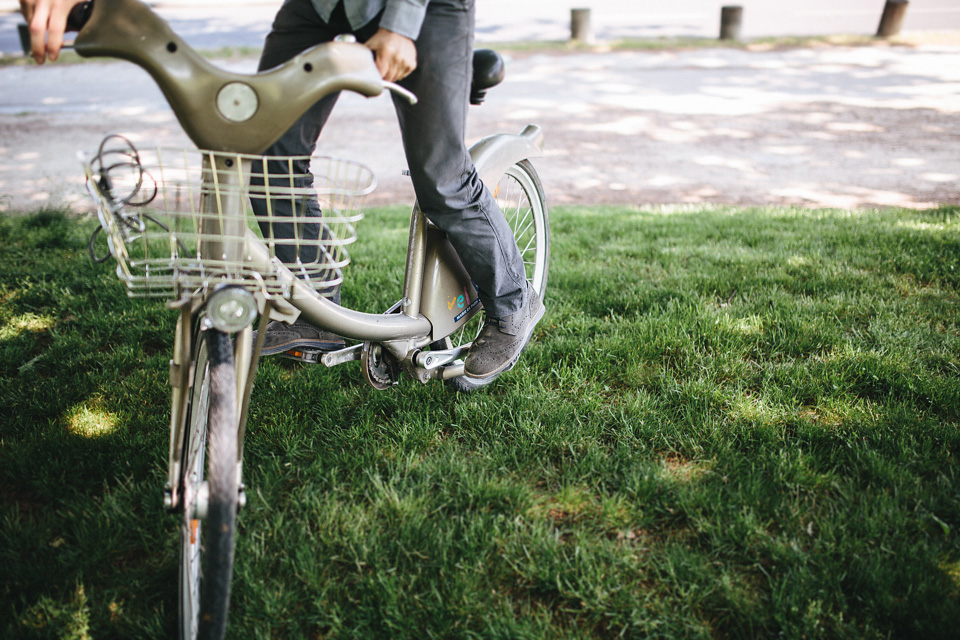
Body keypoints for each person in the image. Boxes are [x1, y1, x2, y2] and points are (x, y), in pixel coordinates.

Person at [20, 0, 544, 380]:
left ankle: (514, 304)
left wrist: (401, 24)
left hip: (425, 8)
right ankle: (316, 307)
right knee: (268, 149)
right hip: (319, 6)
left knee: (441, 176)